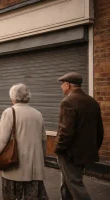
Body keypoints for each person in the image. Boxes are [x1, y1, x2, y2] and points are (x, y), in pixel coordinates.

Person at [0, 84, 48, 200]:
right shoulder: (37, 113)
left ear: (13, 97)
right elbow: (43, 139)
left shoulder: (9, 112)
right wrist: (42, 158)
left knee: (11, 196)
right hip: (33, 167)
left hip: (14, 165)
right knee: (32, 196)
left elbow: (1, 139)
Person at [55, 72, 104, 200]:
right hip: (85, 152)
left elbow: (65, 131)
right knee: (66, 182)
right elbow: (100, 130)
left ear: (68, 85)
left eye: (62, 84)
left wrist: (59, 149)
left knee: (74, 184)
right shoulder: (92, 101)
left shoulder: (68, 102)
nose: (61, 87)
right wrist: (93, 148)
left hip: (70, 153)